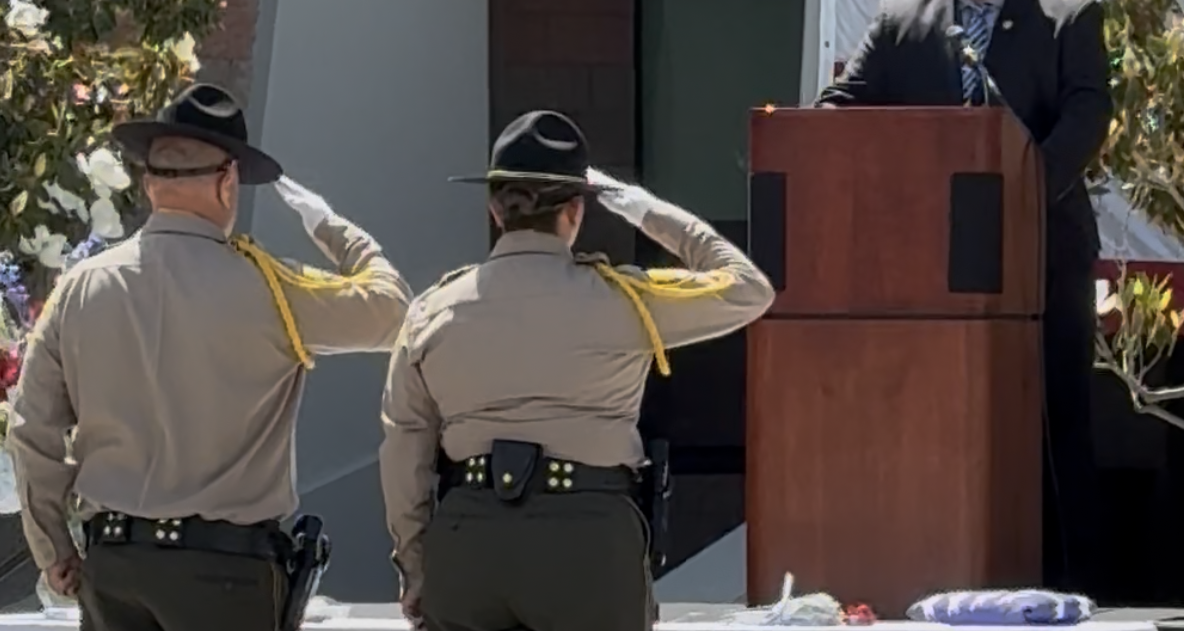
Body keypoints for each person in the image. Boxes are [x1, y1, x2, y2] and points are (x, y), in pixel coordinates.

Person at [7, 83, 412, 631]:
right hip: (223, 573)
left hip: (115, 567)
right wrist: (334, 230)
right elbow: (393, 311)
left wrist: (53, 547)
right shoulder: (270, 287)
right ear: (227, 183)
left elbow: (33, 430)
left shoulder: (80, 286)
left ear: (149, 184)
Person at [815, 0, 1111, 592]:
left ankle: (1064, 585)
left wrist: (1019, 190)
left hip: (1040, 255)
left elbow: (1086, 116)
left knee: (1049, 425)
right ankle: (927, 575)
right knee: (934, 424)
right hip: (926, 270)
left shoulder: (1068, 16)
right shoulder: (900, 20)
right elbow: (840, 110)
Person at [380, 110, 776, 631]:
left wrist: (416, 566)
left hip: (468, 538)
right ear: (575, 211)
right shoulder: (625, 301)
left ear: (495, 209)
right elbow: (749, 289)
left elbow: (403, 450)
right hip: (589, 541)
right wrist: (642, 208)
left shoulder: (433, 311)